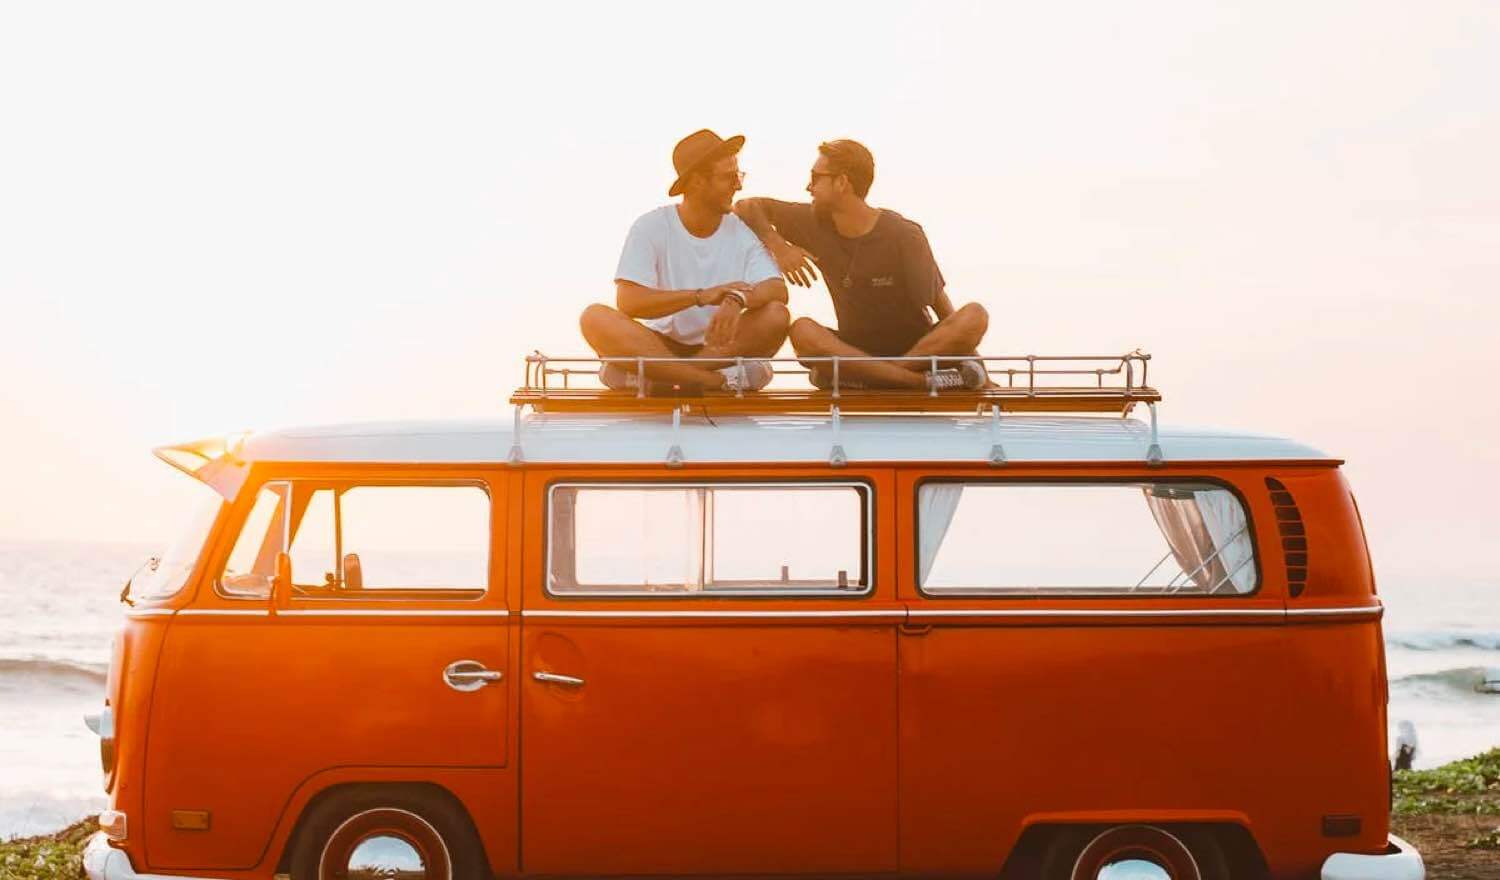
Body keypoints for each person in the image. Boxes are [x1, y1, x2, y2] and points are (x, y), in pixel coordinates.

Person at [735, 139, 989, 391]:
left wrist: (978, 364)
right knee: (802, 330)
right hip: (855, 350)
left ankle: (875, 378)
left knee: (975, 315)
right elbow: (747, 206)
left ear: (842, 182)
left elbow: (940, 304)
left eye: (816, 177)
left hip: (917, 351)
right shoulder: (811, 221)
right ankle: (916, 383)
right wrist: (780, 247)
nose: (808, 187)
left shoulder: (904, 234)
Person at [580, 129, 790, 393]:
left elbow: (777, 290)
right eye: (729, 177)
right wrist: (700, 296)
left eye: (738, 175)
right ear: (696, 182)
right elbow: (629, 302)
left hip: (718, 349)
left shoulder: (743, 231)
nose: (738, 185)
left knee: (776, 315)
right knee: (594, 317)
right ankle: (702, 379)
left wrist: (738, 298)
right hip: (657, 346)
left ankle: (672, 376)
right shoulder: (651, 226)